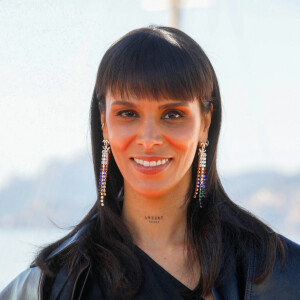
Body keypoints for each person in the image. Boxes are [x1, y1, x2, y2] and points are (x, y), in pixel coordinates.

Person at [1, 26, 300, 300]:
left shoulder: (280, 274)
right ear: (104, 123)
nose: (148, 139)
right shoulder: (50, 285)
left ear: (205, 123)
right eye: (128, 114)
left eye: (172, 114)